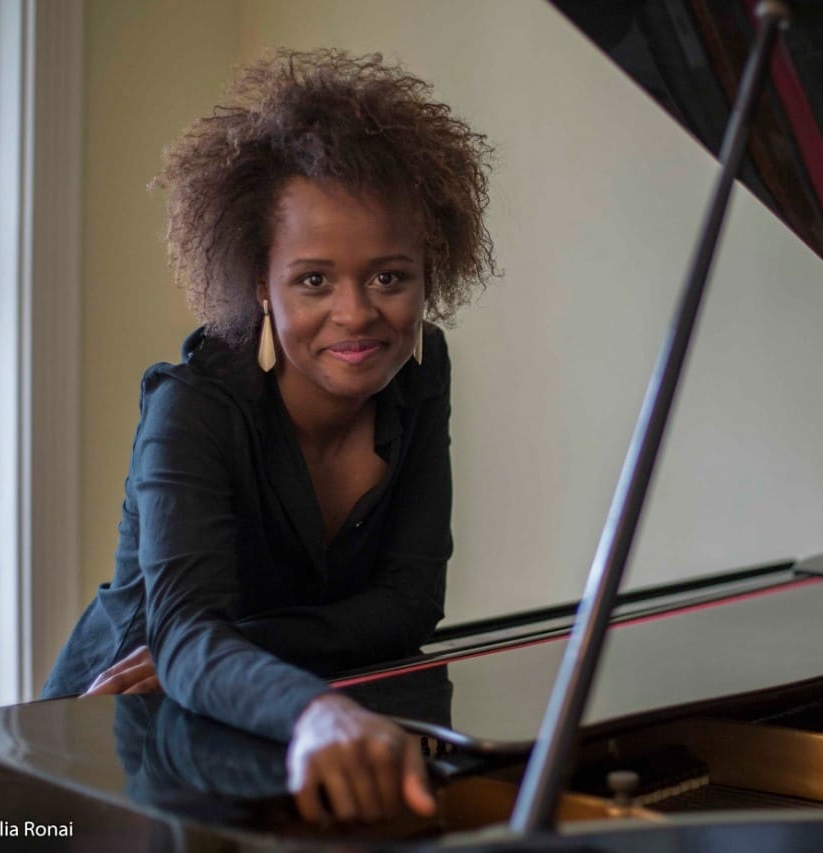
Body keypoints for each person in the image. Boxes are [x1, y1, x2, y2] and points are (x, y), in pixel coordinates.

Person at [42, 48, 496, 824]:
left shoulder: (423, 373)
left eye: (389, 277)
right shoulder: (189, 407)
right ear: (260, 282)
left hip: (290, 722)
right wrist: (300, 701)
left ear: (429, 269)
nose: (356, 313)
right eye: (314, 279)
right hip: (123, 737)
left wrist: (239, 650)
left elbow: (410, 602)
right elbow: (185, 635)